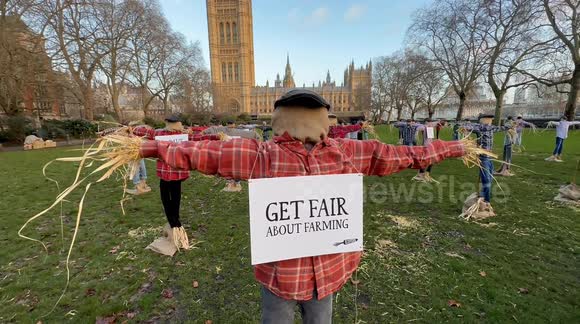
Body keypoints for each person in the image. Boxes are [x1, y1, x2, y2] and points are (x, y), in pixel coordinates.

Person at [137, 89, 473, 323]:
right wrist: (148, 148)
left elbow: (400, 155)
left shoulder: (324, 153)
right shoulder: (267, 155)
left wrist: (453, 148)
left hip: (319, 275)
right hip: (286, 277)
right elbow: (203, 153)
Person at [132, 115, 220, 254]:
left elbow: (147, 132)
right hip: (174, 173)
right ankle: (175, 225)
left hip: (170, 173)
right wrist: (217, 137)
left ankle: (175, 225)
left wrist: (131, 129)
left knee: (168, 201)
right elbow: (200, 138)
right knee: (173, 199)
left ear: (167, 123)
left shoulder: (167, 134)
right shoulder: (176, 135)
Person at [461, 113, 511, 214]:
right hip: (483, 158)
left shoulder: (492, 128)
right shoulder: (479, 127)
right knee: (487, 181)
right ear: (484, 120)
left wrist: (511, 125)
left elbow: (502, 128)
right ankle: (486, 201)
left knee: (490, 179)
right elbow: (466, 127)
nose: (491, 121)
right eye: (489, 119)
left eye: (491, 119)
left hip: (490, 157)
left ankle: (483, 197)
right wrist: (466, 134)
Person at [126, 121, 152, 195]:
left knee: (135, 169)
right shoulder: (139, 133)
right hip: (138, 153)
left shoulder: (136, 134)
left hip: (136, 154)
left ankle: (139, 187)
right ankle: (143, 185)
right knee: (140, 167)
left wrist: (131, 133)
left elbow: (134, 140)